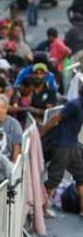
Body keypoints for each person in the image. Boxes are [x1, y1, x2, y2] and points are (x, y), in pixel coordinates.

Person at [40, 83, 83, 216]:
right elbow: (56, 119)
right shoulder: (76, 105)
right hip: (68, 145)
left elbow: (55, 119)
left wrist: (39, 134)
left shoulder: (75, 104)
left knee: (57, 178)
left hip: (67, 145)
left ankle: (43, 209)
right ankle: (42, 208)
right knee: (60, 178)